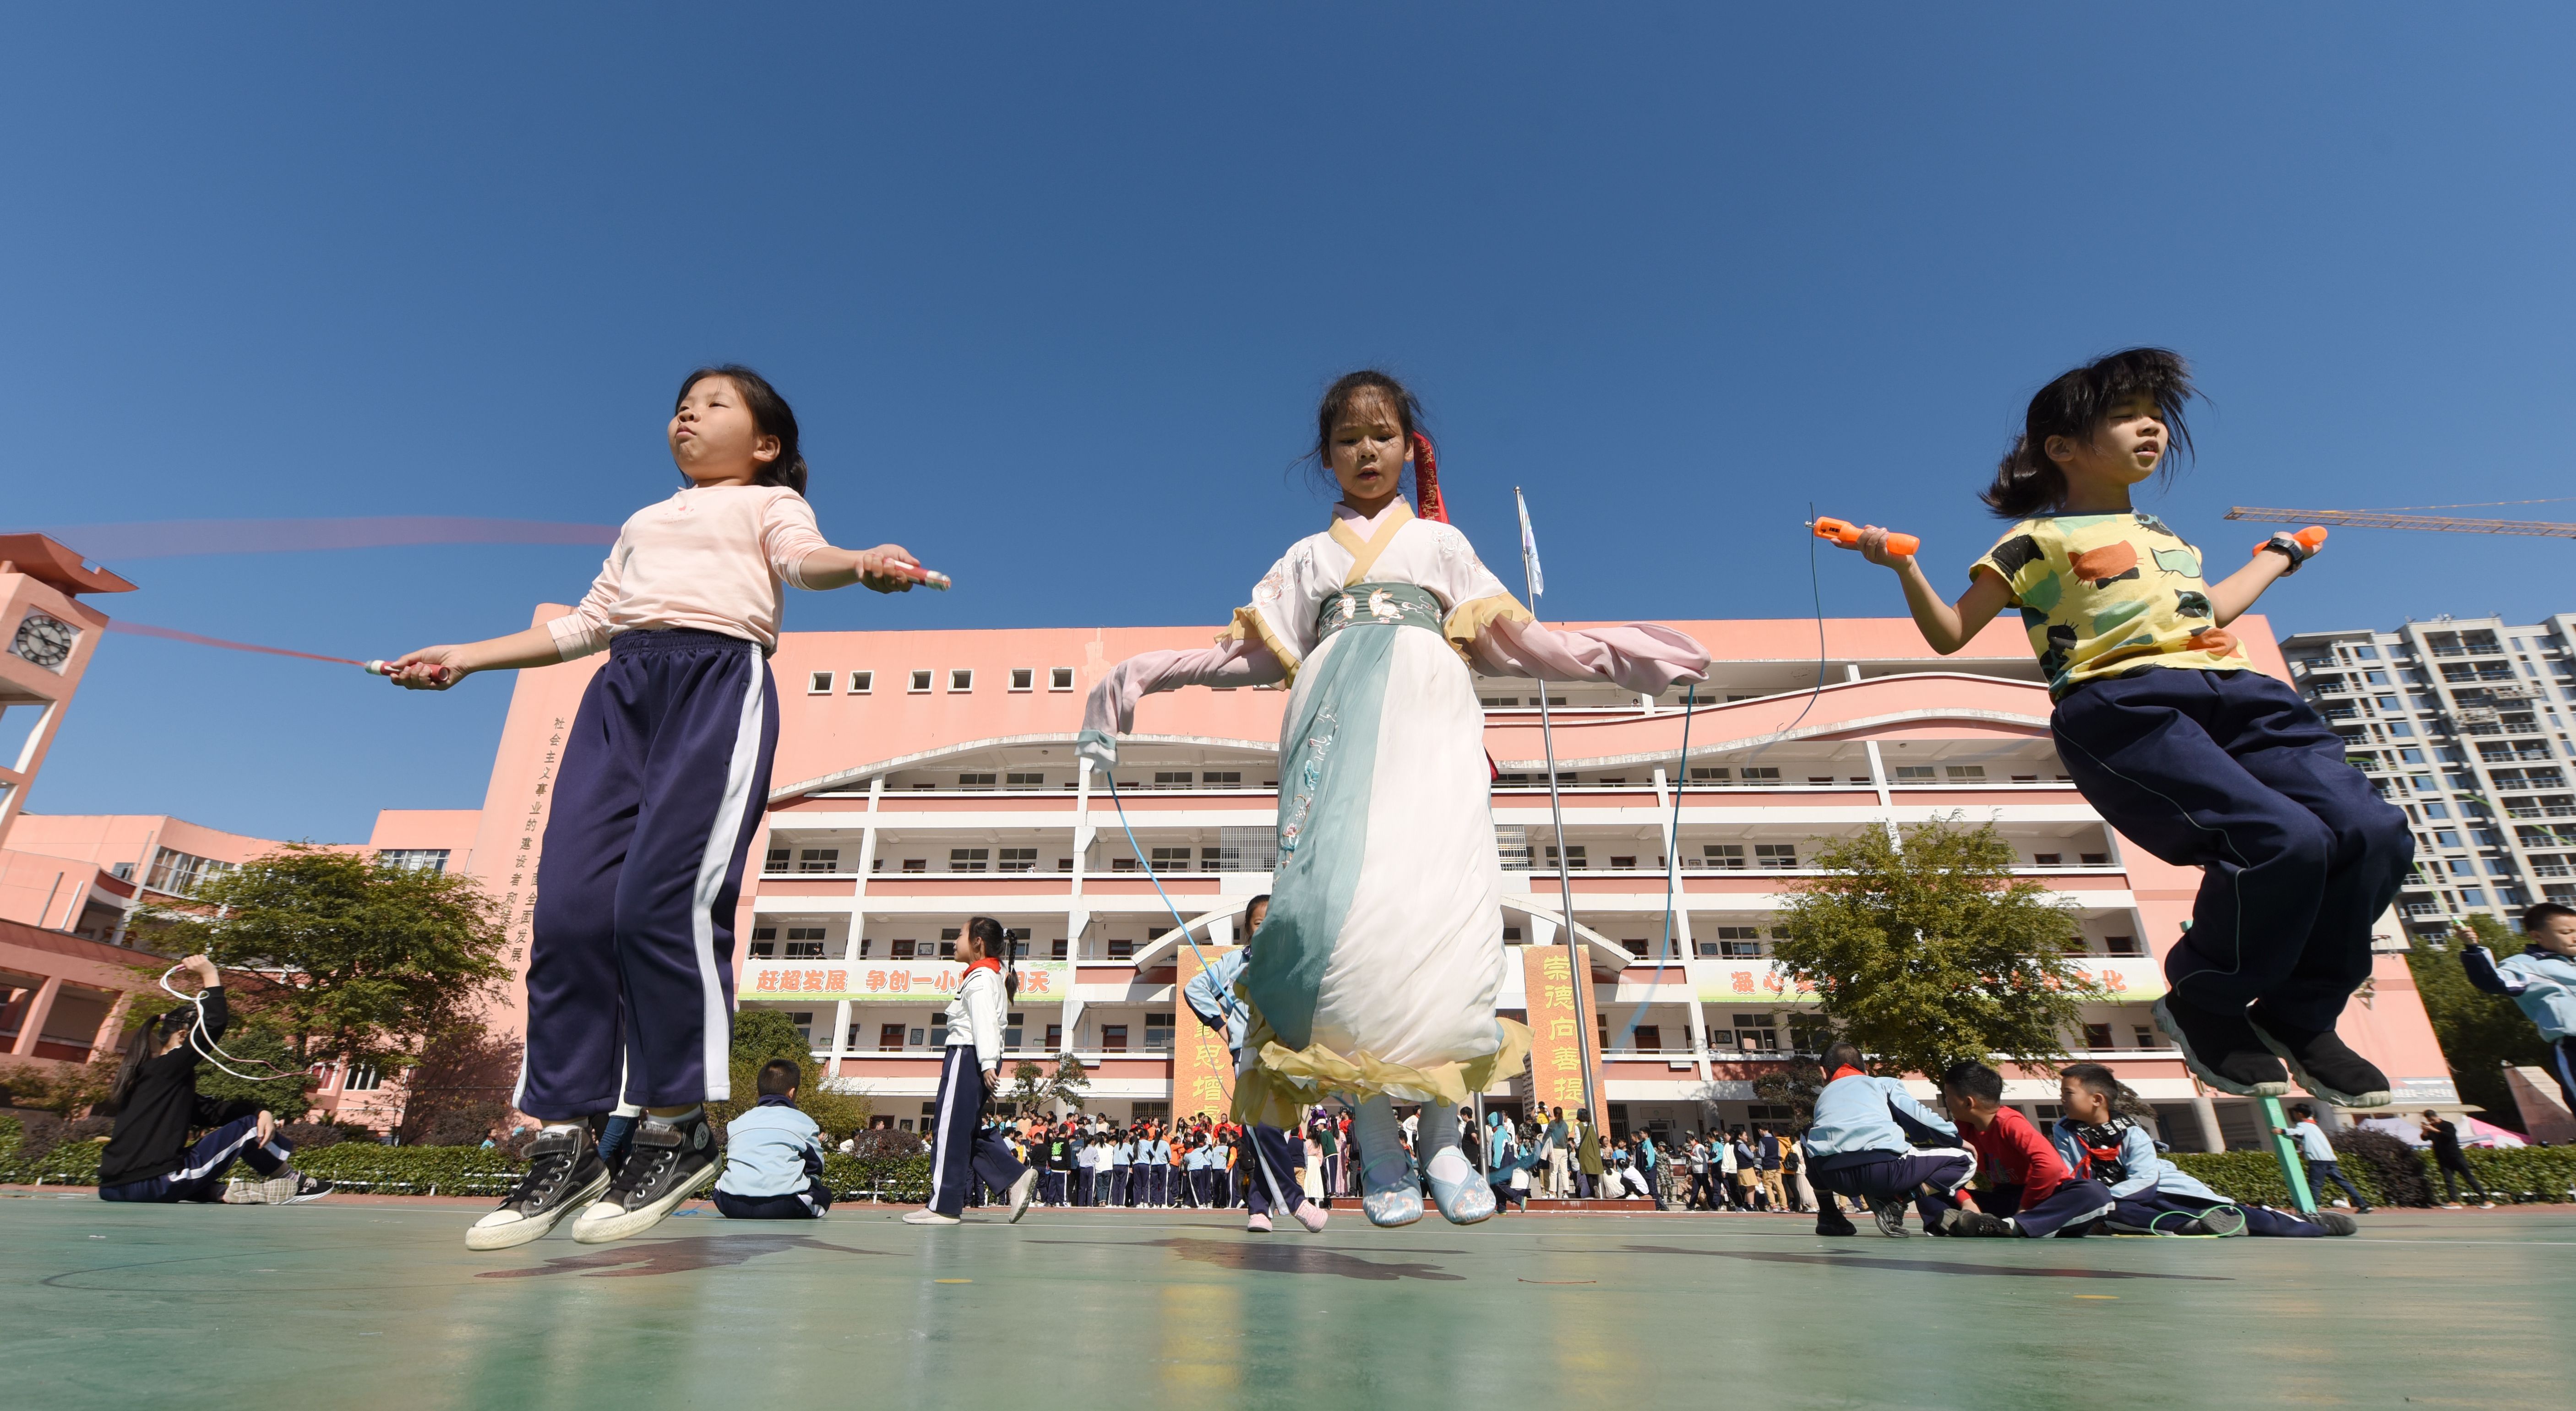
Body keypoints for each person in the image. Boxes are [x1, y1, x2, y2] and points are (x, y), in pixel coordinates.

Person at [1080, 371, 1708, 1227]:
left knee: (1443, 920)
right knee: (1340, 935)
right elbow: (1252, 657)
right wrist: (1146, 671)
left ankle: (1444, 1137)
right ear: (1326, 455)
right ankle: (1378, 1140)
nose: (1366, 451)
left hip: (1432, 738)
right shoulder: (1308, 559)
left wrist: (1617, 657)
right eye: (1348, 438)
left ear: (1411, 445)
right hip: (1332, 747)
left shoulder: (1442, 550)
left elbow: (1515, 639)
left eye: (1383, 434)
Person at [405, 367, 931, 1250]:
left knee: (661, 903)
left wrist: (864, 563)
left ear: (765, 443)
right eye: (683, 403)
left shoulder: (766, 505)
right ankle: (566, 1136)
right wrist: (466, 655)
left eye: (716, 403)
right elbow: (584, 624)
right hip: (621, 695)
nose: (689, 412)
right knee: (570, 911)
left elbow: (807, 562)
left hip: (715, 686)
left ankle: (677, 1120)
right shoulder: (644, 522)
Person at [1830, 348, 2409, 1110]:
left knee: (2372, 831)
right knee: (2282, 841)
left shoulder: (2170, 537)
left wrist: (2277, 556)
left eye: (2158, 416)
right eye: (2127, 416)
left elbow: (2212, 609)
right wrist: (1900, 566)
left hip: (2240, 692)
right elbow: (1949, 635)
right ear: (2063, 447)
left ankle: (2303, 1015)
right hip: (2126, 702)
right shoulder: (2032, 542)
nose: (2153, 429)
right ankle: (2207, 997)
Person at [97, 955, 331, 1206]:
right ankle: (294, 1181)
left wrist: (260, 1110)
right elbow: (215, 1024)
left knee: (248, 1121)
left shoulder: (150, 1077)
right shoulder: (169, 1066)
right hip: (158, 1182)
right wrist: (209, 974)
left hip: (112, 1188)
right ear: (183, 1035)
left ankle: (217, 1192)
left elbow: (210, 1112)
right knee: (251, 1127)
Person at [2053, 1064, 2352, 1237]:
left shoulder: (2131, 1132)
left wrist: (2093, 1200)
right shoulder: (2064, 1129)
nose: (2062, 1100)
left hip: (2161, 1191)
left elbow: (2144, 1182)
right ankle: (2192, 1227)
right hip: (2120, 1202)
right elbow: (2068, 1173)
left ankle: (2312, 1224)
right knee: (2118, 1214)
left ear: (2096, 1100)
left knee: (2243, 1218)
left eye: (2068, 1093)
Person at [1183, 893, 1327, 1233]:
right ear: (1249, 928)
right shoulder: (1233, 962)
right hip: (1248, 1052)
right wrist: (1221, 1025)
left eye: (1271, 924)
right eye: (1258, 923)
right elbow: (1194, 988)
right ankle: (1294, 1201)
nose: (1265, 929)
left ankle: (1260, 1208)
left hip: (1286, 1054)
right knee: (1259, 1127)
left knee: (1269, 1130)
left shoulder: (1291, 965)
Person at [908, 917, 1041, 1225]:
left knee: (948, 1130)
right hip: (974, 1057)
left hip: (966, 1055)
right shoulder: (990, 975)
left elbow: (985, 1023)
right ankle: (1014, 1178)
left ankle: (943, 1206)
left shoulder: (980, 977)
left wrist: (987, 1064)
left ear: (977, 942)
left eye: (959, 935)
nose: (955, 941)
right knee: (963, 1131)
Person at [1799, 1043, 1976, 1237]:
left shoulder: (1824, 1097)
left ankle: (1829, 1215)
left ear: (1823, 1073)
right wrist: (1955, 1139)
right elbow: (1920, 1118)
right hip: (1885, 1172)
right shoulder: (1881, 1084)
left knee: (1808, 1134)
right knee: (1966, 1159)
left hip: (1835, 1177)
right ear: (1865, 1068)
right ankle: (1898, 1201)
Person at [1927, 1062, 2115, 1238]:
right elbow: (1944, 1172)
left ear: (1969, 1103)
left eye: (1947, 1095)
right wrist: (1967, 1202)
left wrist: (2026, 1208)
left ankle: (2011, 1226)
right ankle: (1984, 1225)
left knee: (2095, 1193)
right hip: (2006, 1200)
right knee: (1926, 1185)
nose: (1946, 1101)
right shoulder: (1962, 1130)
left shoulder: (2009, 1123)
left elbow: (2049, 1166)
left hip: (2044, 1198)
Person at [2462, 901, 2576, 1116]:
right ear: (2537, 936)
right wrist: (2473, 949)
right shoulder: (2525, 965)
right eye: (2566, 932)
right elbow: (2493, 982)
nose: (2574, 937)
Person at [712, 1058, 830, 1220]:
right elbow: (817, 1167)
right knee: (823, 1193)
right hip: (783, 1206)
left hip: (732, 1204)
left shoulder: (737, 1123)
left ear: (759, 1092)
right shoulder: (804, 1122)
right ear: (792, 1093)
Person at [2273, 1103, 2371, 1214]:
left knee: (2315, 1184)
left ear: (2300, 1114)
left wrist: (2282, 1131)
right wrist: (2304, 1151)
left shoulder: (2303, 1125)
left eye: (2295, 1113)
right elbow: (2311, 1141)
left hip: (2318, 1161)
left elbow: (2298, 1132)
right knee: (2343, 1183)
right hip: (2330, 1160)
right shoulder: (2315, 1126)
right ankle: (2363, 1204)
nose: (2294, 1116)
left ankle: (2312, 1208)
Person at [2416, 1109, 2493, 1210]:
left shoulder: (2448, 1125)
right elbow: (2424, 1139)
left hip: (2456, 1157)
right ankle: (2454, 1202)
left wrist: (2435, 1130)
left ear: (2436, 1116)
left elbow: (2450, 1136)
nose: (2432, 1122)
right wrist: (2425, 1130)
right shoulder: (2432, 1127)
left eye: (2433, 1120)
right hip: (2443, 1158)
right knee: (2449, 1180)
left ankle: (2486, 1200)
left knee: (2469, 1178)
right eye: (2430, 1120)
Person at [1751, 1125, 1788, 1211]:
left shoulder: (1762, 1141)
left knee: (1768, 1185)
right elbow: (1779, 1154)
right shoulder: (1776, 1140)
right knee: (1779, 1185)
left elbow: (1762, 1154)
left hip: (1768, 1165)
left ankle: (1773, 1205)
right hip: (1777, 1165)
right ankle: (1784, 1206)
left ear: (1761, 1130)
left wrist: (1756, 1149)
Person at [1574, 1109, 1604, 1199]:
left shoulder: (1578, 1126)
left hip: (1585, 1150)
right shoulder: (1592, 1126)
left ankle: (1592, 1192)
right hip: (1594, 1149)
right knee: (1594, 1171)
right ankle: (1596, 1186)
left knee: (1587, 1171)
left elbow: (1578, 1141)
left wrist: (1577, 1149)